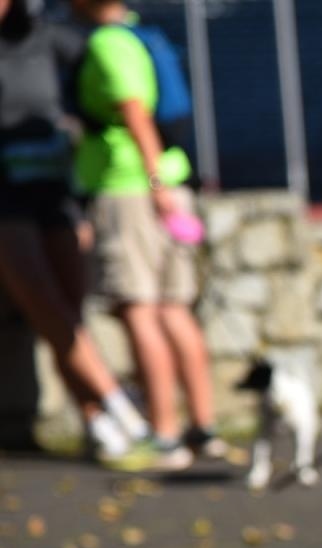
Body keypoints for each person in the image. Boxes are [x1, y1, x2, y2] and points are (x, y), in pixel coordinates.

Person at [71, 0, 223, 470]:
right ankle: (203, 427)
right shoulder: (141, 32)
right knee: (174, 309)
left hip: (130, 189)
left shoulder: (106, 42)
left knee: (141, 309)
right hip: (167, 183)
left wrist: (154, 183)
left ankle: (164, 435)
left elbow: (134, 110)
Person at [0, 0, 151, 462]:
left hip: (56, 192)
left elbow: (108, 60)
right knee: (44, 303)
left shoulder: (47, 38)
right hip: (4, 198)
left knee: (69, 312)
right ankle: (119, 407)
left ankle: (97, 424)